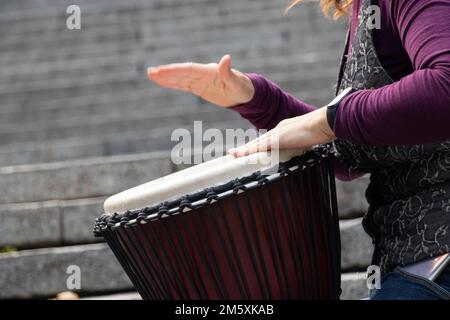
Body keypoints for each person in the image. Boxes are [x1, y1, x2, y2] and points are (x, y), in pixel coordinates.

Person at [147, 0, 450, 299]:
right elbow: (355, 147)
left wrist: (327, 121)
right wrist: (259, 100)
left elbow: (445, 86)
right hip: (412, 265)